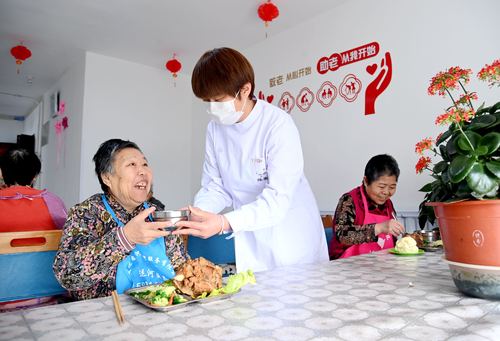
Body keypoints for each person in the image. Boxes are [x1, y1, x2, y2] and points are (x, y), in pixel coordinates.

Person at [174, 47, 329, 272]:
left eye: (218, 100)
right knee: (257, 302)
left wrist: (223, 223)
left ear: (244, 89)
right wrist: (198, 213)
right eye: (206, 101)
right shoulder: (215, 130)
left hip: (292, 239)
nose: (212, 108)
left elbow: (277, 200)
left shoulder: (277, 125)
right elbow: (216, 186)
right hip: (252, 237)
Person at [53, 139, 188, 300]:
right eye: (131, 165)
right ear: (107, 178)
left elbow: (181, 268)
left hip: (161, 307)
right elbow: (67, 275)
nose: (142, 171)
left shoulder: (157, 214)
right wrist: (124, 238)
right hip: (106, 315)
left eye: (145, 164)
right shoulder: (87, 214)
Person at [0, 147, 67, 310]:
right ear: (35, 175)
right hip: (47, 294)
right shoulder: (52, 202)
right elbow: (68, 239)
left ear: (2, 173)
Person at [329, 154, 405, 259]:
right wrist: (379, 228)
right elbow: (342, 235)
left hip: (381, 266)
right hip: (348, 267)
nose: (386, 192)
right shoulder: (349, 200)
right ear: (366, 181)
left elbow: (392, 238)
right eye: (381, 186)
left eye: (392, 187)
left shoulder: (388, 204)